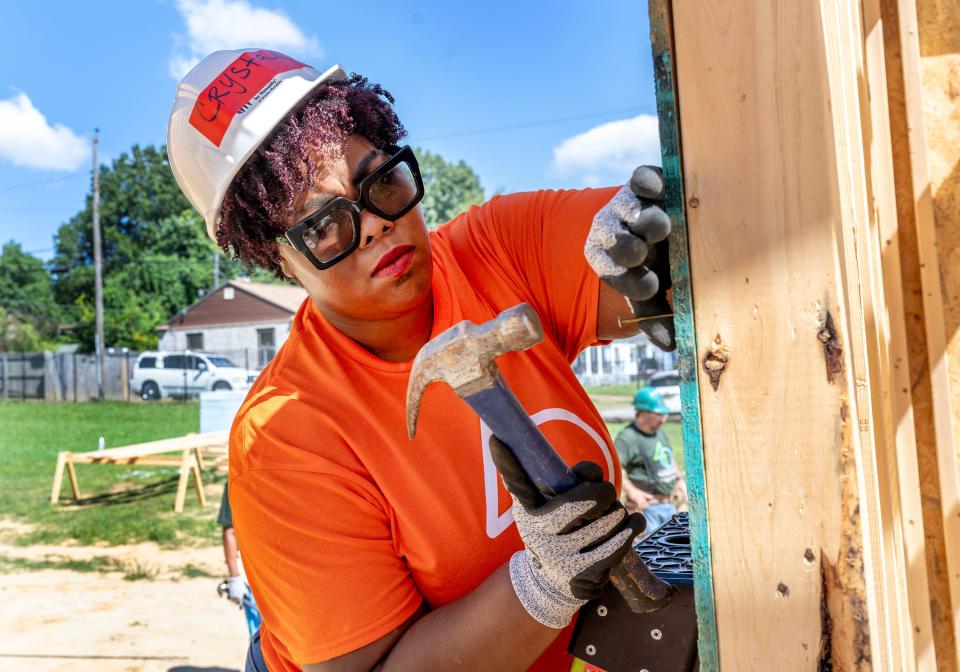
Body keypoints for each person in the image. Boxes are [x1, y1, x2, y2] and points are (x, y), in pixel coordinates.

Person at [166, 49, 675, 672]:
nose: (376, 225)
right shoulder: (285, 436)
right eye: (324, 224)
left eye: (382, 182)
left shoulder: (497, 252)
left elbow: (667, 257)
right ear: (277, 260)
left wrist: (664, 248)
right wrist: (538, 588)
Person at [614, 388, 685, 533]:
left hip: (670, 505)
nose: (664, 420)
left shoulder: (658, 433)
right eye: (659, 414)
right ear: (644, 414)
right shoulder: (628, 438)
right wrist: (633, 492)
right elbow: (616, 469)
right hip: (648, 510)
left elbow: (668, 456)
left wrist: (679, 479)